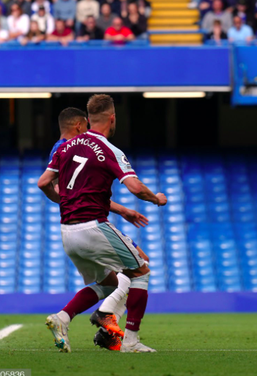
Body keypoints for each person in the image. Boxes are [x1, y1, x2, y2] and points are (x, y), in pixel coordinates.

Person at [38, 95, 167, 353]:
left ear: (88, 119)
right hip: (93, 226)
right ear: (112, 118)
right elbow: (134, 187)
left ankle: (62, 318)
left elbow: (43, 183)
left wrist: (64, 201)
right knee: (141, 273)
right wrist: (156, 199)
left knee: (110, 283)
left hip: (67, 232)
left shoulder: (65, 147)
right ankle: (128, 338)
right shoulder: (109, 149)